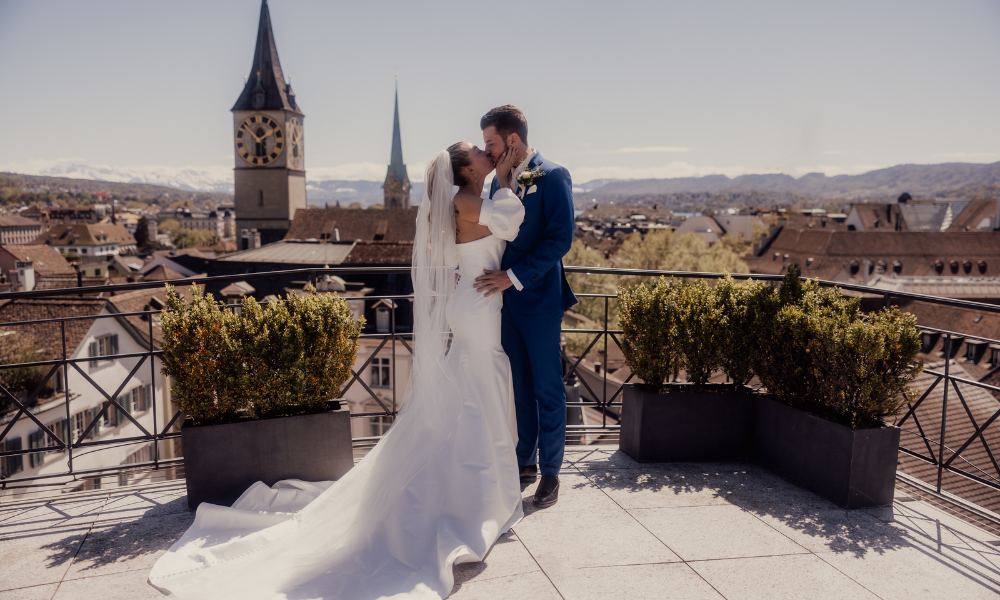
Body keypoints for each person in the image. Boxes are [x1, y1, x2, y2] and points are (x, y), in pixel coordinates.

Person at [148, 144, 527, 600]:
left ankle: (477, 488)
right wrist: (507, 180)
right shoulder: (467, 199)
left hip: (475, 300)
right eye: (480, 152)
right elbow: (511, 222)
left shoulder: (464, 199)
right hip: (479, 306)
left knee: (473, 392)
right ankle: (481, 494)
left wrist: (500, 182)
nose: (488, 153)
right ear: (465, 168)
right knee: (480, 389)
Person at [474, 105, 577, 508]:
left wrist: (513, 277)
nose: (487, 149)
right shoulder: (496, 182)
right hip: (503, 304)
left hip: (540, 300)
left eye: (491, 142)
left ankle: (551, 473)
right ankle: (524, 461)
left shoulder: (554, 175)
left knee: (548, 389)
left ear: (512, 140)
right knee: (519, 389)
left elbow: (559, 239)